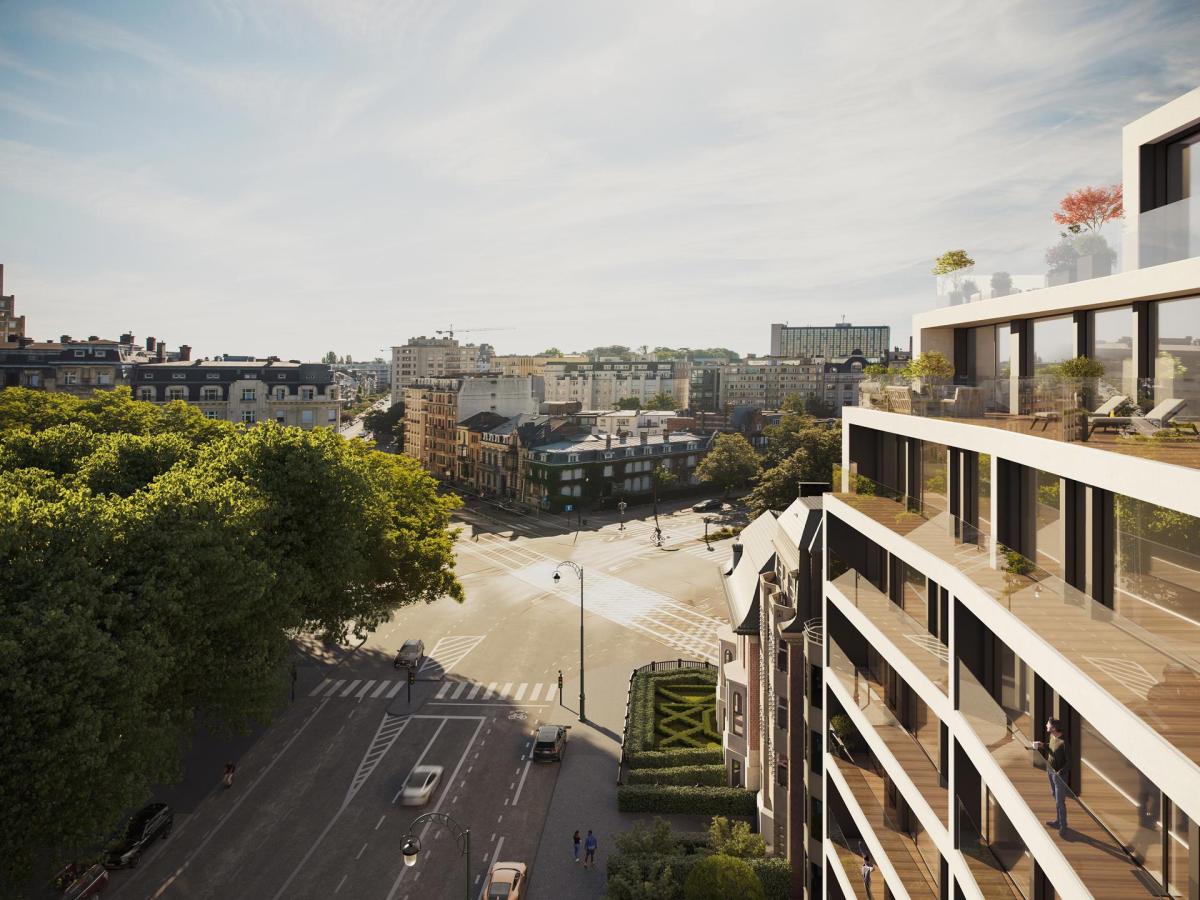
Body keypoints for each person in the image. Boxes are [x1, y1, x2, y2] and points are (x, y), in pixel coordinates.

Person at [1033, 718, 1069, 835]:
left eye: (1048, 725)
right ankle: (1058, 821)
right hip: (1050, 771)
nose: (1046, 725)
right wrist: (1042, 745)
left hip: (1059, 776)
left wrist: (1060, 772)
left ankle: (1063, 826)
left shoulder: (1064, 743)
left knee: (1060, 801)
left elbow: (1070, 762)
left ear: (1053, 728)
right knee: (1054, 795)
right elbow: (1052, 750)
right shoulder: (1052, 737)